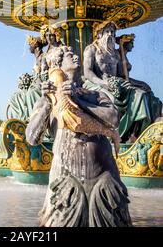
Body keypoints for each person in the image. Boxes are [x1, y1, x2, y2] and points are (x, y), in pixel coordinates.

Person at [26, 45, 131, 227]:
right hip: (66, 181)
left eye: (74, 53)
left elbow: (113, 119)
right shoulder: (47, 99)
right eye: (69, 54)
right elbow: (32, 138)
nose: (75, 56)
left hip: (104, 177)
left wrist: (78, 99)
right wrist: (48, 104)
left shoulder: (95, 95)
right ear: (58, 64)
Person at [83, 21, 163, 142]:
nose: (110, 34)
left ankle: (139, 134)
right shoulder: (91, 49)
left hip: (116, 83)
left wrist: (122, 53)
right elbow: (87, 72)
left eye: (113, 32)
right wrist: (103, 83)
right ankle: (117, 135)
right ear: (99, 34)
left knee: (143, 95)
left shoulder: (115, 53)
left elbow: (122, 74)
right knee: (113, 100)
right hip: (96, 82)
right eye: (107, 32)